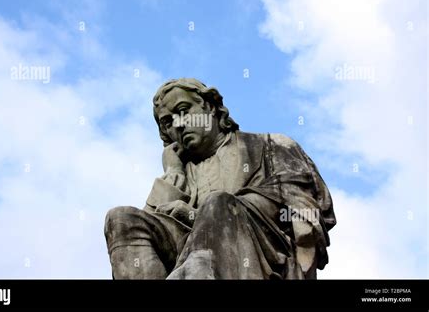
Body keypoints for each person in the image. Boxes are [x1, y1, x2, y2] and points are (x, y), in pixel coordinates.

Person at [104, 78, 336, 279]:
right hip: (184, 246)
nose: (179, 124)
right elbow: (151, 224)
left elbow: (302, 202)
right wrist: (173, 174)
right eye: (168, 122)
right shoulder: (184, 169)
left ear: (210, 107)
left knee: (217, 203)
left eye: (184, 110)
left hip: (254, 249)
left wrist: (204, 213)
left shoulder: (269, 144)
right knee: (121, 218)